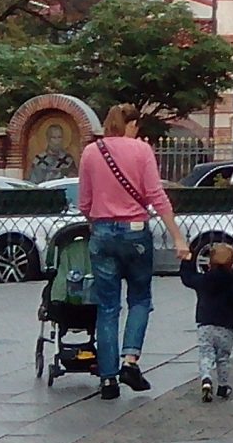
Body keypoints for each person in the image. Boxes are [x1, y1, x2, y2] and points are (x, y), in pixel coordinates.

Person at [77, 104, 189, 400]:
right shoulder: (141, 150)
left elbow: (84, 202)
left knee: (107, 306)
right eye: (136, 126)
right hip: (136, 232)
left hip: (102, 232)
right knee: (140, 298)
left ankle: (107, 380)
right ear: (130, 125)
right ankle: (129, 361)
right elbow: (156, 195)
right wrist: (178, 237)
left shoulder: (91, 152)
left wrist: (98, 222)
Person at [178, 240, 233, 402]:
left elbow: (187, 278)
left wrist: (188, 260)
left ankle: (206, 378)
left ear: (209, 263)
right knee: (223, 358)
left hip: (205, 325)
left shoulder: (203, 281)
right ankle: (223, 386)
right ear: (232, 264)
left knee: (206, 354)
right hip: (226, 327)